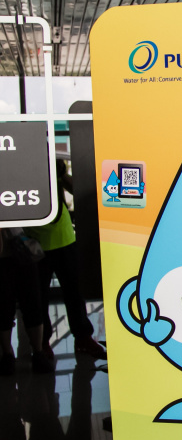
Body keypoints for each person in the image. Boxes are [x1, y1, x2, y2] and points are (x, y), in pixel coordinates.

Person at [25, 159, 106, 360]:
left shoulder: (51, 165)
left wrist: (60, 174)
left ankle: (83, 338)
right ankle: (42, 343)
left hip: (65, 239)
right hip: (35, 243)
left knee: (75, 292)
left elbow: (74, 190)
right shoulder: (23, 169)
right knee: (38, 298)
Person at [0, 228, 55, 374]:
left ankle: (34, 352)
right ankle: (11, 354)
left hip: (21, 249)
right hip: (17, 249)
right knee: (6, 308)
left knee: (32, 304)